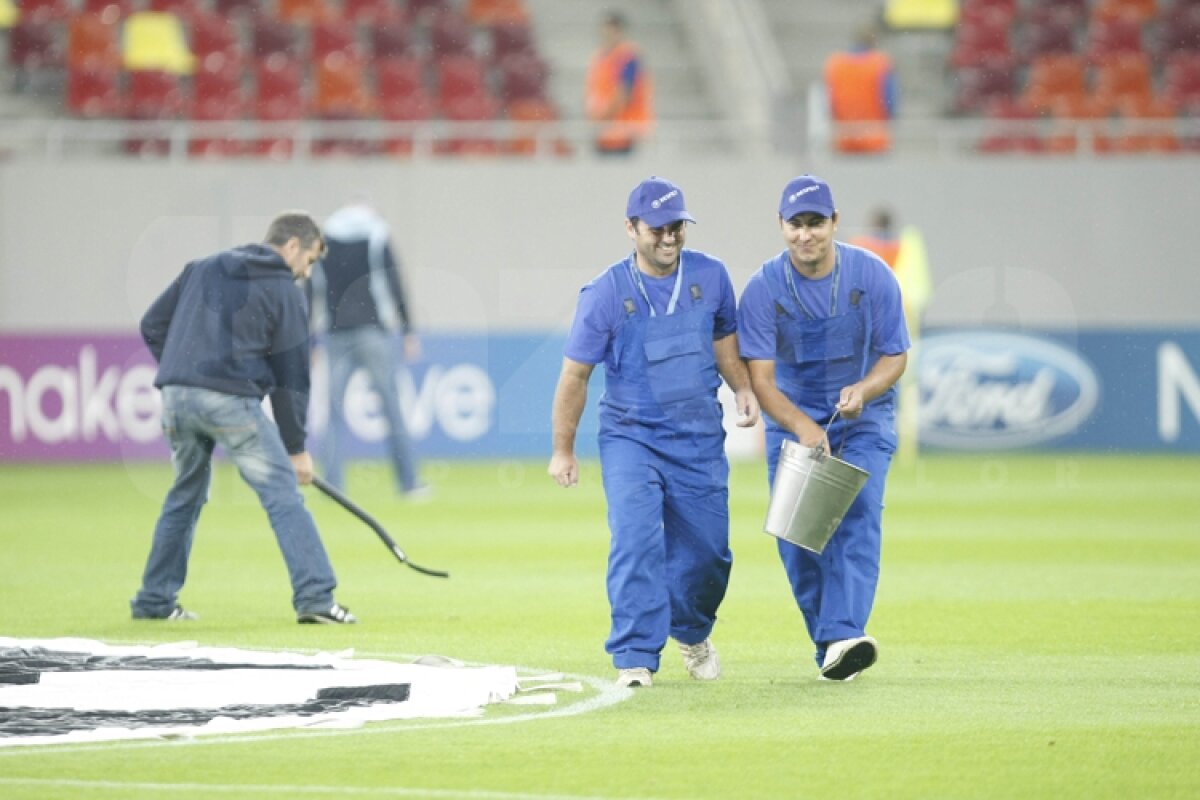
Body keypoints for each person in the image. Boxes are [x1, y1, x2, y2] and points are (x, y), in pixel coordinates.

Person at [548, 176, 760, 689]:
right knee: (636, 542)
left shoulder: (710, 276)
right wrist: (563, 450)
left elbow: (725, 342)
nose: (669, 237)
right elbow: (575, 376)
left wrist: (743, 390)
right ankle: (635, 656)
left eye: (677, 227)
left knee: (710, 553)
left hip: (699, 439)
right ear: (631, 228)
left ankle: (692, 631)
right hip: (631, 438)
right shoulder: (604, 294)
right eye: (657, 228)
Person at [132, 211, 357, 625]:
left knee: (185, 495)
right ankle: (316, 598)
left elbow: (152, 324)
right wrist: (296, 450)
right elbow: (292, 378)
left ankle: (154, 601)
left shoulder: (202, 268)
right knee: (283, 494)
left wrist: (185, 370)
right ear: (292, 246)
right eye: (308, 261)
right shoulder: (284, 291)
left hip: (177, 397)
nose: (306, 274)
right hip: (230, 401)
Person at [737, 175, 910, 680]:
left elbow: (895, 355)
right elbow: (761, 381)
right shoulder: (764, 288)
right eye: (796, 224)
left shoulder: (873, 276)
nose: (805, 234)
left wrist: (865, 390)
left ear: (835, 223)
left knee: (857, 513)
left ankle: (843, 632)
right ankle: (833, 647)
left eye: (816, 223)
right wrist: (802, 425)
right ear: (781, 226)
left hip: (863, 419)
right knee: (797, 536)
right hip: (793, 421)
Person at [307, 201, 428, 499]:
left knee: (333, 413)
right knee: (392, 408)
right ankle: (409, 483)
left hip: (335, 334)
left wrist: (309, 339)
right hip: (372, 331)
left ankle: (334, 485)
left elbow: (312, 288)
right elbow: (394, 281)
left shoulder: (326, 240)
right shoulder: (376, 235)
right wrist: (408, 329)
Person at [584, 10, 654, 156]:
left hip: (625, 132)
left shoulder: (627, 57)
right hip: (605, 133)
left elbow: (624, 92)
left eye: (613, 28)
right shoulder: (600, 57)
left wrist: (603, 119)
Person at [823, 26, 897, 154]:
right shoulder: (880, 63)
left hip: (844, 137)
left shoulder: (836, 64)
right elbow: (890, 102)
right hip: (875, 137)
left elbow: (829, 101)